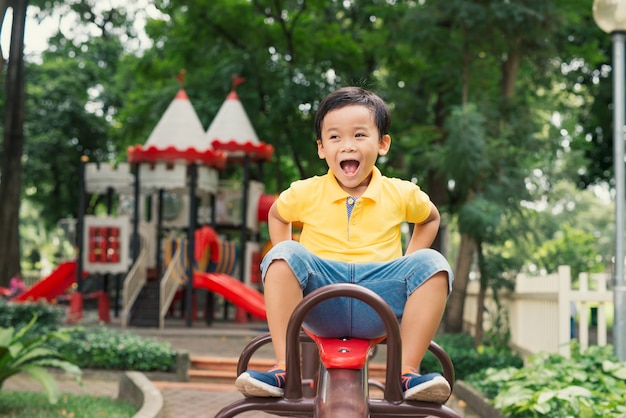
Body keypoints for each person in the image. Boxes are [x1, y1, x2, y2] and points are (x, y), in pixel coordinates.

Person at [235, 86, 454, 403]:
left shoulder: (401, 192)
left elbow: (430, 218)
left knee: (433, 264)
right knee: (283, 254)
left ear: (382, 144)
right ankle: (285, 368)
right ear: (322, 148)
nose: (347, 145)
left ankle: (406, 371)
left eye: (360, 135)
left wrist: (410, 261)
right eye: (335, 137)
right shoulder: (306, 192)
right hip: (320, 300)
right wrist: (286, 264)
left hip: (378, 299)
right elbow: (277, 215)